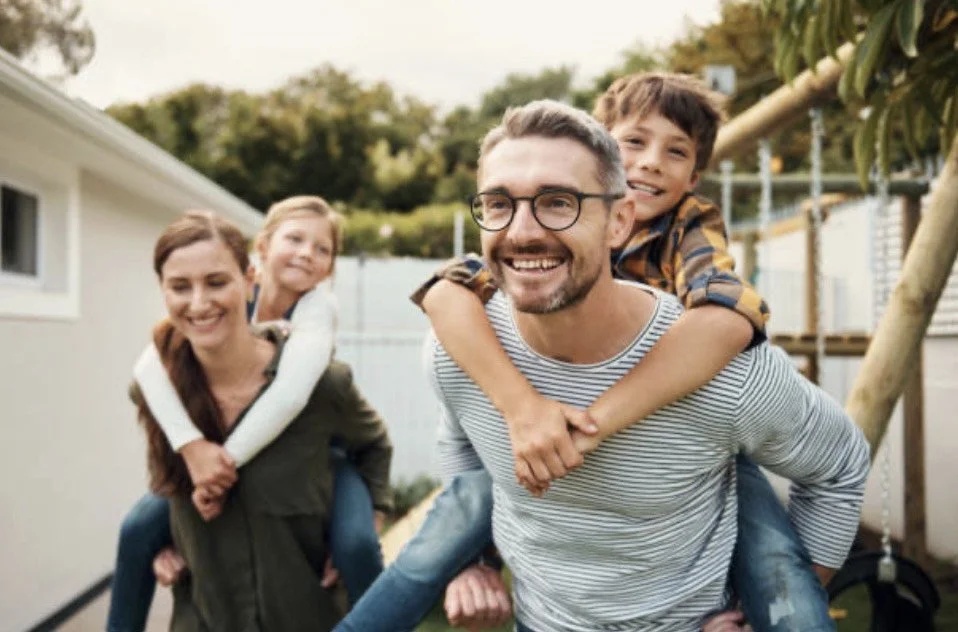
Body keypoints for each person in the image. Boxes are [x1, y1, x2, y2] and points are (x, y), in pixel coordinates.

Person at [336, 74, 834, 632]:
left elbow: (727, 316)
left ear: (692, 177)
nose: (650, 164)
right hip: (551, 515)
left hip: (682, 424)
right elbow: (446, 292)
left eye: (675, 152)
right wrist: (521, 407)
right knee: (443, 534)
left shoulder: (691, 227)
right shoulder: (518, 260)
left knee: (775, 563)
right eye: (634, 144)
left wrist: (594, 424)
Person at [107, 197, 388, 632]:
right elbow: (150, 372)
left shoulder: (316, 319)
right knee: (138, 530)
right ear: (264, 248)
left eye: (322, 249)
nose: (199, 302)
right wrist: (190, 458)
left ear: (246, 277)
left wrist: (222, 459)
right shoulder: (161, 378)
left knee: (356, 544)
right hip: (204, 604)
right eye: (180, 287)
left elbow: (292, 396)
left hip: (323, 457)